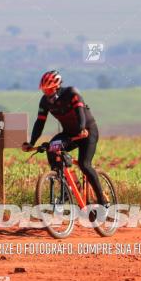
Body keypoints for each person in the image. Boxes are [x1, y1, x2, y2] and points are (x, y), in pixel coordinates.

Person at [22, 70, 107, 206]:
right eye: (44, 90)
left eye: (49, 90)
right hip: (68, 133)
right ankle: (67, 188)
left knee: (84, 165)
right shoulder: (45, 101)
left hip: (87, 132)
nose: (46, 93)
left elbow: (81, 115)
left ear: (57, 86)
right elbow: (40, 122)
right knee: (51, 149)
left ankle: (102, 202)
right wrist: (31, 143)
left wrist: (81, 130)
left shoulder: (72, 93)